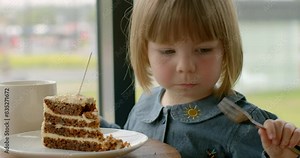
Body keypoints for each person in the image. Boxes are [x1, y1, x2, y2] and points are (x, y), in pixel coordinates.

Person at [101, 0, 300, 157]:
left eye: (203, 50)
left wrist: (282, 155)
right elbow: (128, 147)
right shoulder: (145, 105)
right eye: (168, 51)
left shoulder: (245, 124)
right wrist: (95, 126)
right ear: (145, 51)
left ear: (226, 49)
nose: (186, 66)